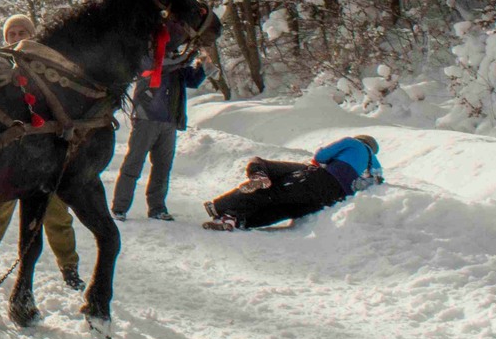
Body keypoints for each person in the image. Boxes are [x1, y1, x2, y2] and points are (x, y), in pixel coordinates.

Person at [0, 14, 83, 291]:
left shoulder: (46, 66)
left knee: (57, 215)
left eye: (22, 32)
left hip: (44, 157)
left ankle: (70, 268)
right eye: (12, 33)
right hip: (9, 157)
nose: (17, 37)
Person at [109, 38, 210, 221]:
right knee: (134, 163)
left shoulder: (177, 60)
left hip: (169, 121)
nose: (174, 46)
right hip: (146, 117)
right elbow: (159, 67)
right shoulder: (148, 57)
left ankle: (157, 208)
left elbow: (192, 80)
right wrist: (185, 59)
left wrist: (204, 63)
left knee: (163, 167)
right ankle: (120, 208)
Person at [204, 135, 383, 230]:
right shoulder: (375, 166)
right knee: (283, 210)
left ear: (361, 139)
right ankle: (238, 220)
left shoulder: (352, 143)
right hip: (331, 200)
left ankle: (219, 207)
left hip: (321, 179)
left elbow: (320, 156)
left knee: (271, 193)